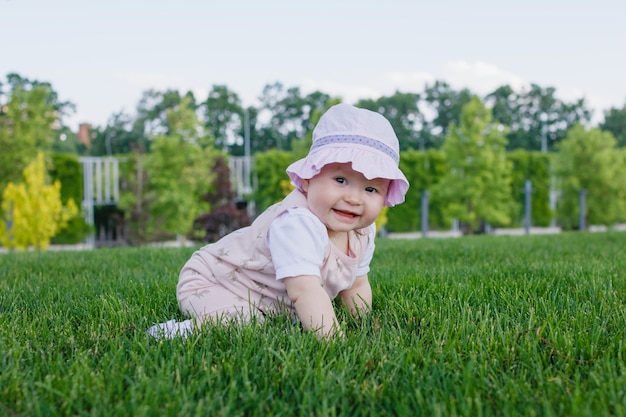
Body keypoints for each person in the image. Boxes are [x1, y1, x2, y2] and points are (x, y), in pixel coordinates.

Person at [147, 103, 409, 339]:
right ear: (308, 178)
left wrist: (361, 326)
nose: (354, 198)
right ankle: (174, 332)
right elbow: (305, 292)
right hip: (219, 281)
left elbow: (357, 283)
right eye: (340, 180)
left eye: (371, 189)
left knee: (276, 317)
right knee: (245, 320)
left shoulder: (363, 231)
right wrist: (333, 344)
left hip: (264, 294)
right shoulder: (297, 224)